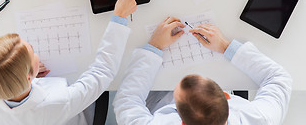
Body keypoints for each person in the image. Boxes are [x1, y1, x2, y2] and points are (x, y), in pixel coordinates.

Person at [0, 0, 142, 125]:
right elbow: (103, 72)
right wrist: (119, 17)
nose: (31, 44)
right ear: (29, 77)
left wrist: (15, 76)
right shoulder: (57, 103)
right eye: (31, 51)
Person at [114, 17, 292, 124]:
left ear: (182, 121)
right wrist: (225, 46)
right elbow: (279, 78)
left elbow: (126, 102)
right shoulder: (258, 119)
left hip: (157, 98)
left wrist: (154, 47)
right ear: (226, 95)